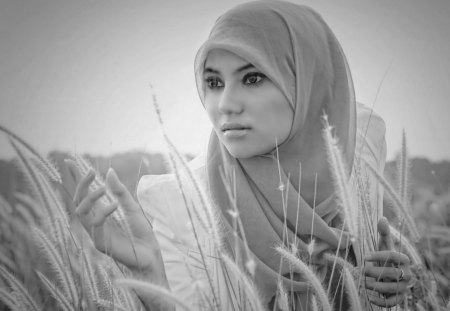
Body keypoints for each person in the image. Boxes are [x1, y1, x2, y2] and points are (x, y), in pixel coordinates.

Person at [66, 1, 412, 310]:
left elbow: (377, 273)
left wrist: (391, 291)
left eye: (253, 77)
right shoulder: (182, 201)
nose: (225, 105)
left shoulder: (356, 148)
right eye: (214, 83)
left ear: (307, 80)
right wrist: (152, 276)